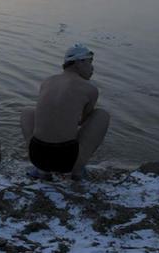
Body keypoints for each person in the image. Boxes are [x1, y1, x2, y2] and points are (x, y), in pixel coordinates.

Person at [20, 44, 109, 180]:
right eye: (90, 62)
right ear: (79, 62)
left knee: (27, 111)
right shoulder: (90, 88)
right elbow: (83, 122)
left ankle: (42, 171)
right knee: (102, 115)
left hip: (37, 156)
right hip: (66, 161)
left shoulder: (47, 81)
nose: (92, 68)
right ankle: (77, 172)